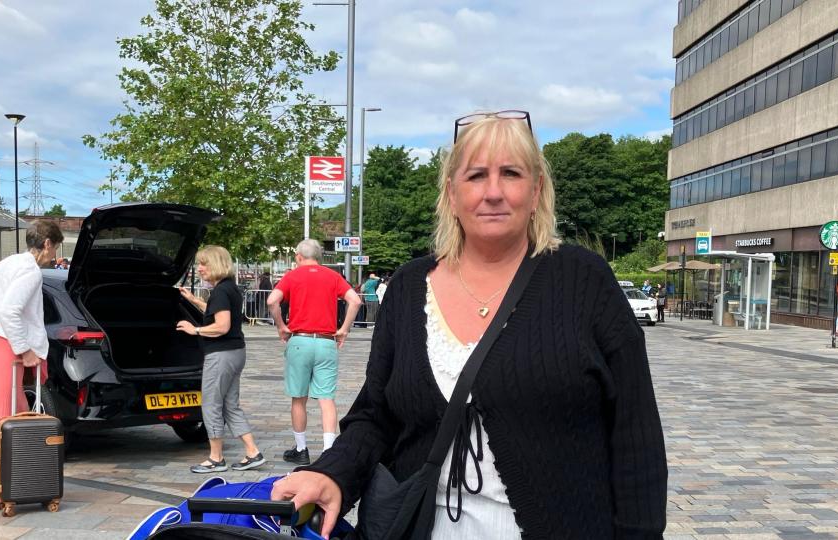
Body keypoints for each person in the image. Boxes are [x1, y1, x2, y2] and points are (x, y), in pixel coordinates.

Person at [270, 111, 667, 538]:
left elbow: (636, 437)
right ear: (452, 194)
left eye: (511, 174)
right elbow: (376, 413)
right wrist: (332, 473)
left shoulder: (584, 281)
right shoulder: (407, 288)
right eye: (476, 175)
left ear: (536, 192)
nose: (493, 192)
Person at [0, 220, 63, 507]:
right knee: (4, 416)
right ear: (47, 244)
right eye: (55, 248)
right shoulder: (31, 271)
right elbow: (10, 311)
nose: (54, 255)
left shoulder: (8, 263)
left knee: (18, 412)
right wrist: (25, 349)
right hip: (5, 343)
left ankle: (24, 480)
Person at [266, 239, 361, 466]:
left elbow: (272, 300)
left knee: (299, 398)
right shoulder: (332, 276)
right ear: (318, 256)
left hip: (300, 340)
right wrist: (344, 329)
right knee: (326, 398)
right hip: (327, 342)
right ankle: (329, 451)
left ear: (299, 256)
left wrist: (281, 326)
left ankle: (301, 448)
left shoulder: (293, 275)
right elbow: (355, 300)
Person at [176, 245, 264, 473]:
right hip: (236, 352)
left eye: (203, 264)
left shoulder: (221, 291)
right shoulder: (229, 288)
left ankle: (216, 458)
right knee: (230, 405)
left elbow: (222, 325)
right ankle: (253, 452)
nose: (200, 268)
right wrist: (194, 300)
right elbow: (217, 312)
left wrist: (194, 329)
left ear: (215, 264)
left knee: (211, 404)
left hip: (221, 355)